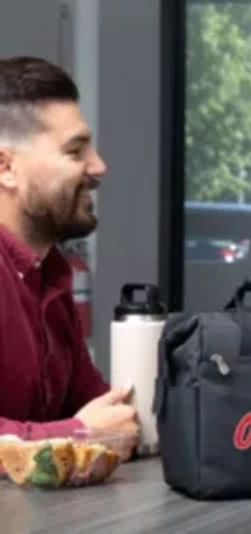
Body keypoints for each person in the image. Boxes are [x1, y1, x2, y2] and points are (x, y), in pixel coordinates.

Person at [0, 56, 139, 441]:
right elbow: (90, 426)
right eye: (75, 152)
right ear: (5, 167)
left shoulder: (52, 275)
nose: (98, 166)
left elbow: (100, 408)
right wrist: (78, 432)